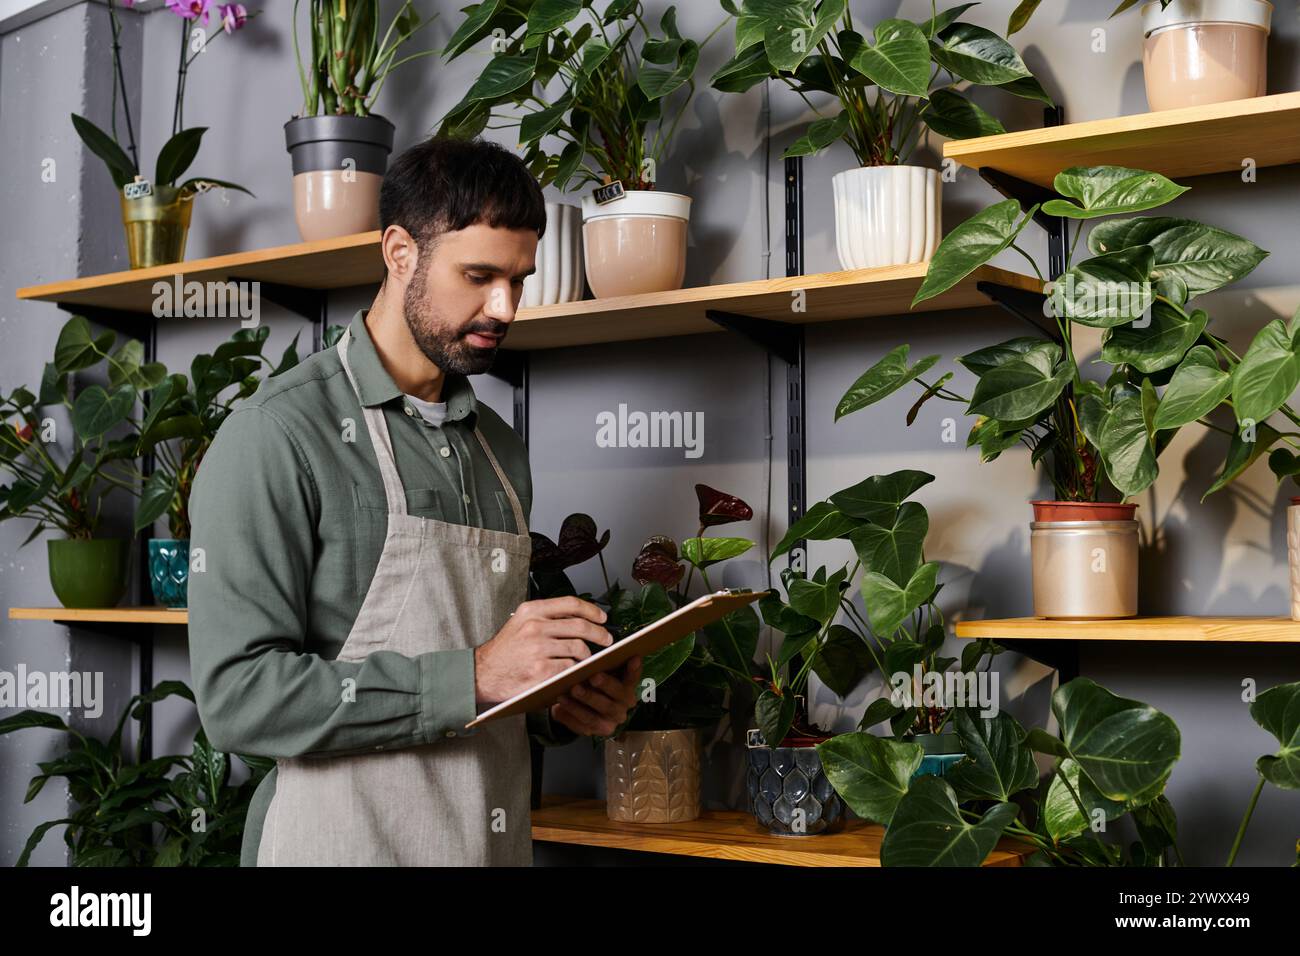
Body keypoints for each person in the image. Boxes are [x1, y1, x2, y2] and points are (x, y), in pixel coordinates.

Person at [187, 136, 642, 866]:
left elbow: (485, 674)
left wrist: (560, 698)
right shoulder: (277, 437)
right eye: (479, 275)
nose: (505, 307)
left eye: (520, 280)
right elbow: (239, 699)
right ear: (400, 252)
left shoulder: (500, 449)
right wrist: (474, 675)